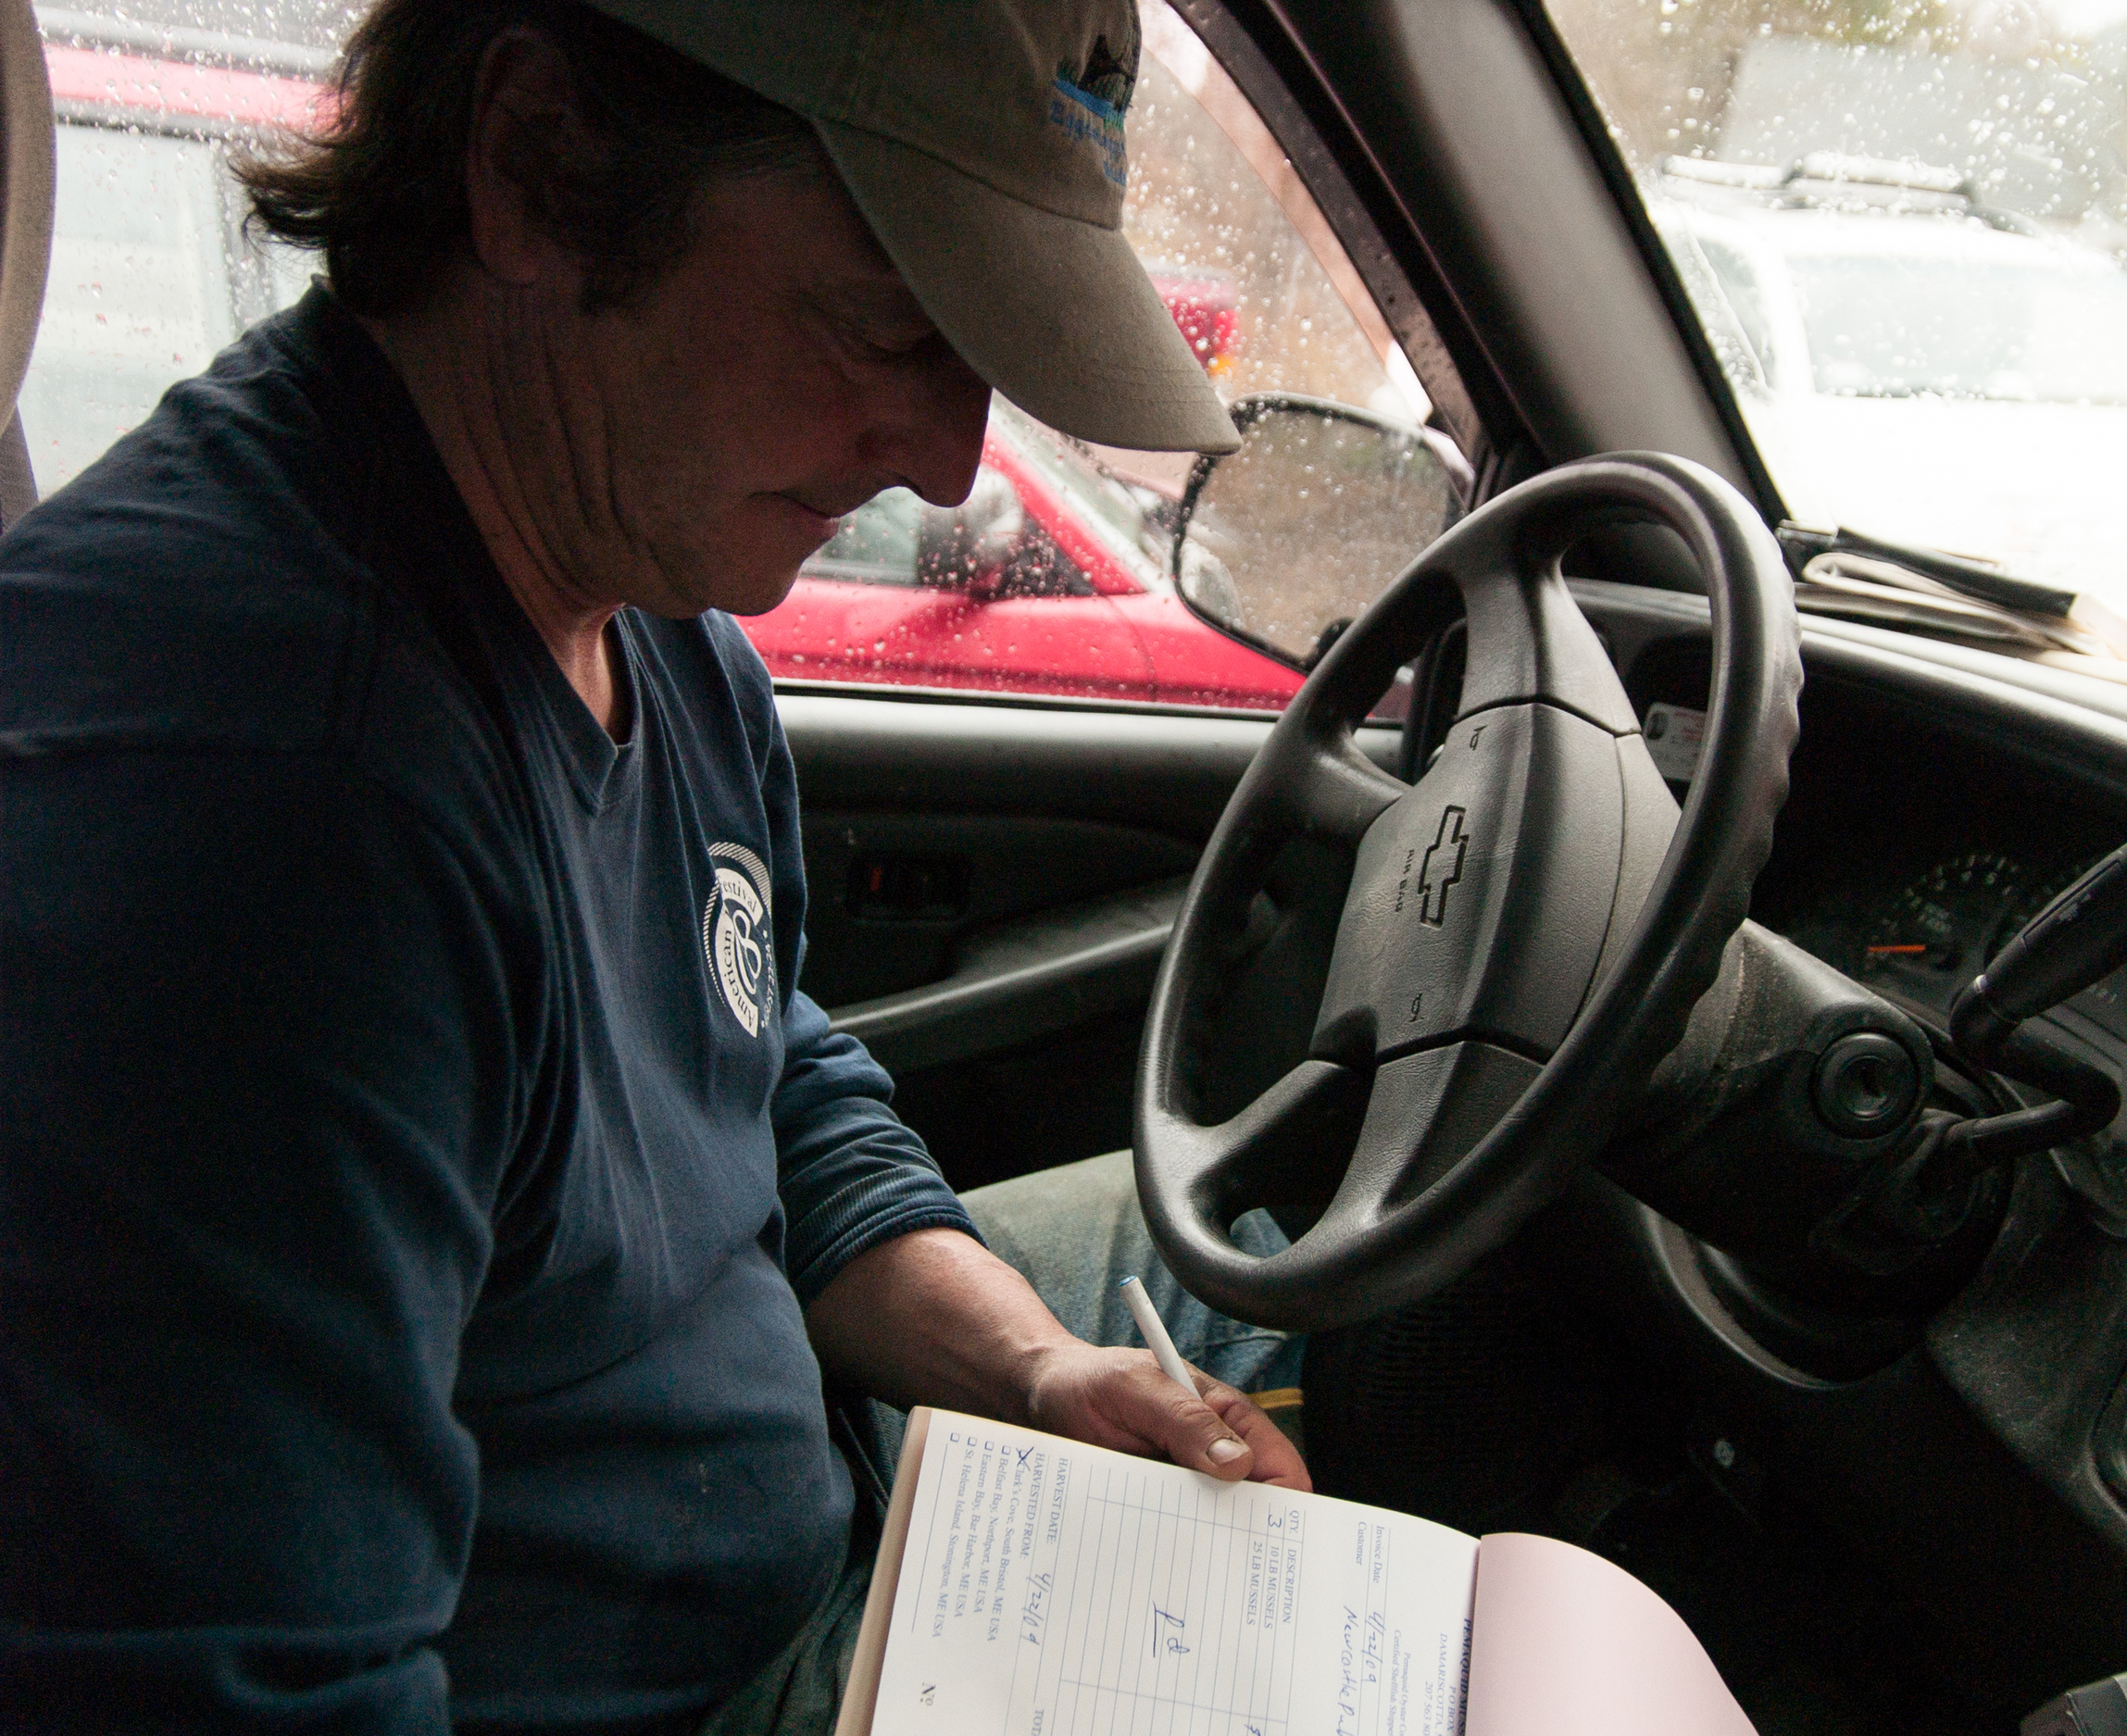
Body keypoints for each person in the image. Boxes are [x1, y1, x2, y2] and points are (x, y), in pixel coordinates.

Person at [0, 2, 1308, 1730]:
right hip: (682, 1690)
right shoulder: (263, 831)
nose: (945, 458)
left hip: (801, 1512)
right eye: (887, 324)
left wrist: (1040, 1373)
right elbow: (238, 1691)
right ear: (542, 170)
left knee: (1207, 1261)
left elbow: (757, 1074)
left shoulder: (645, 593)